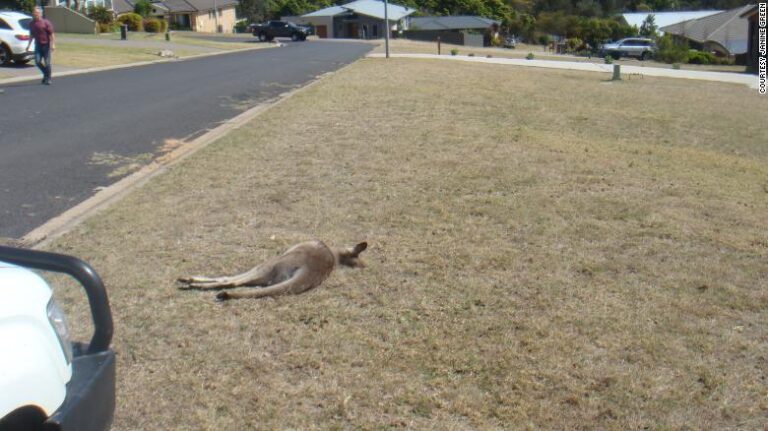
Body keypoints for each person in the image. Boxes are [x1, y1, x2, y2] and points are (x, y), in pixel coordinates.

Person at [26, 7, 55, 85]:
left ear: (39, 13)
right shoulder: (31, 23)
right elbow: (31, 35)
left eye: (35, 12)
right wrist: (28, 45)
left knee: (47, 63)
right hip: (38, 45)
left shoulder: (46, 22)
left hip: (46, 45)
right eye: (33, 12)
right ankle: (46, 74)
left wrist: (53, 44)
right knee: (37, 62)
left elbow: (51, 34)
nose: (34, 14)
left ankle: (48, 79)